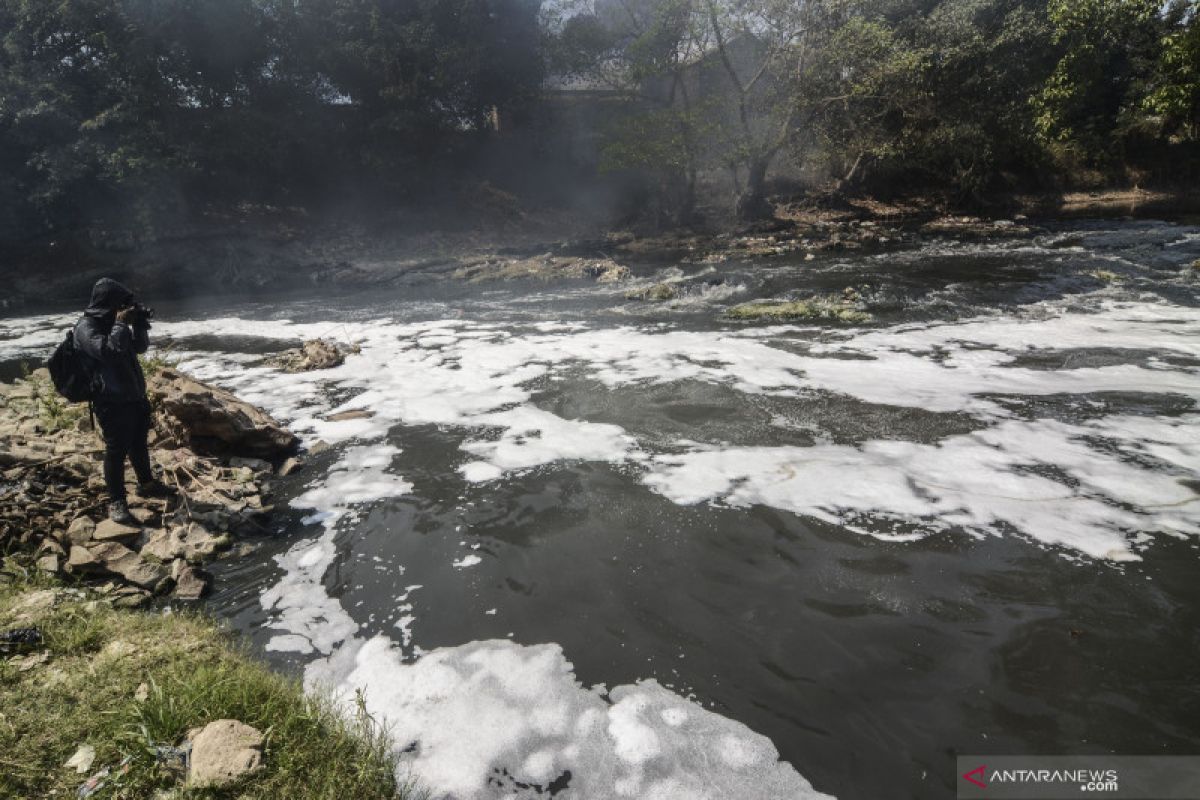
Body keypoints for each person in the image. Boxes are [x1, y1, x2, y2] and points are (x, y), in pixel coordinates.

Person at [74, 277, 174, 524]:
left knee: (138, 443)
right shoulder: (86, 328)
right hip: (110, 400)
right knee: (116, 450)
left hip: (134, 395)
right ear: (109, 303)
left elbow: (138, 348)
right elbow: (108, 353)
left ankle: (146, 484)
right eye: (121, 305)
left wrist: (139, 324)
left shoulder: (113, 323)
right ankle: (116, 501)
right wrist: (120, 324)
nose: (124, 309)